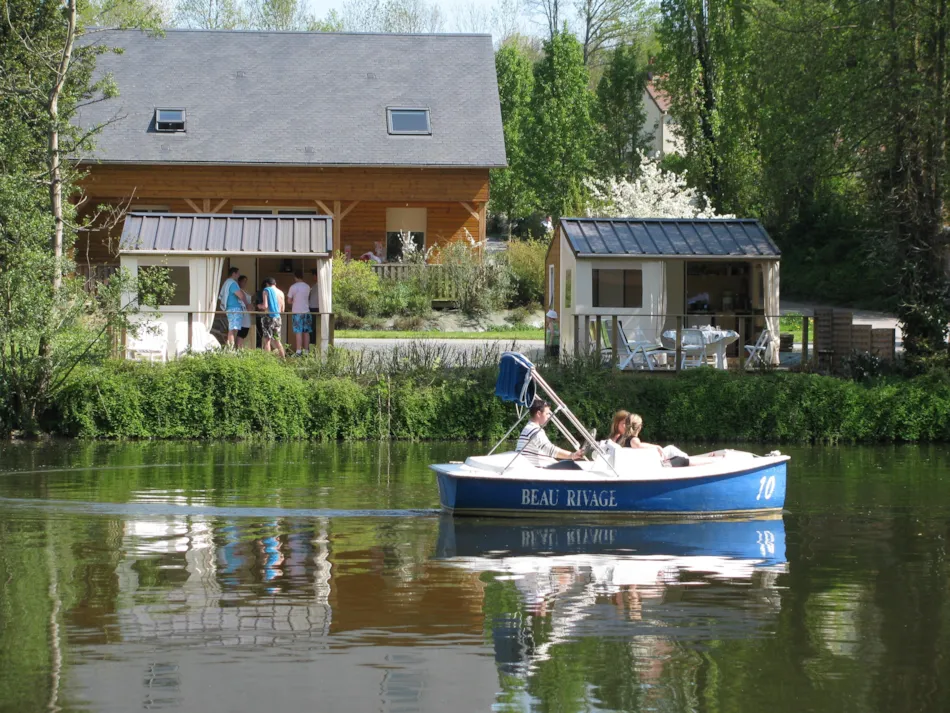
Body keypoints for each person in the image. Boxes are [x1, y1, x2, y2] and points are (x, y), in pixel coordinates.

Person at [516, 397, 585, 469]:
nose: (549, 417)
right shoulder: (533, 430)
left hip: (537, 468)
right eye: (547, 414)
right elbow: (549, 449)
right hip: (537, 471)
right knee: (571, 465)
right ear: (539, 414)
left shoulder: (530, 428)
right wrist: (572, 455)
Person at [257, 277, 286, 357]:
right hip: (278, 317)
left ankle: (267, 361)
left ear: (267, 284)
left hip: (268, 317)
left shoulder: (266, 290)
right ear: (275, 284)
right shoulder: (281, 293)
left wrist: (259, 306)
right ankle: (283, 359)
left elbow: (265, 306)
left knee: (267, 340)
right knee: (277, 340)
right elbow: (282, 309)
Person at [286, 270, 311, 356]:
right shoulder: (307, 286)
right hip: (307, 311)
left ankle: (298, 351)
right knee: (306, 332)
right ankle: (307, 351)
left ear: (295, 277)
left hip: (297, 311)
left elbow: (289, 301)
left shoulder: (293, 287)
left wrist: (294, 301)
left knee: (298, 331)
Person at [219, 267, 245, 348]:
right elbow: (240, 295)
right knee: (232, 330)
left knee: (232, 329)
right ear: (233, 273)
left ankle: (229, 348)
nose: (239, 275)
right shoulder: (232, 283)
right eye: (238, 273)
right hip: (234, 309)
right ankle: (231, 349)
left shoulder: (227, 282)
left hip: (230, 308)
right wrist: (246, 303)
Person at [237, 275, 252, 348]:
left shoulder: (244, 291)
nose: (244, 283)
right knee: (241, 333)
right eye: (243, 281)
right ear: (239, 281)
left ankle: (240, 348)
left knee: (243, 333)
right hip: (243, 313)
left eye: (245, 282)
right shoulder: (239, 291)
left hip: (247, 314)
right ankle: (239, 349)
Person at [309, 267, 321, 347]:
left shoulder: (319, 286)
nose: (312, 277)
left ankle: (314, 343)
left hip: (316, 308)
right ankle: (313, 343)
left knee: (314, 327)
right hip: (312, 308)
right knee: (312, 327)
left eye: (313, 275)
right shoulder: (314, 286)